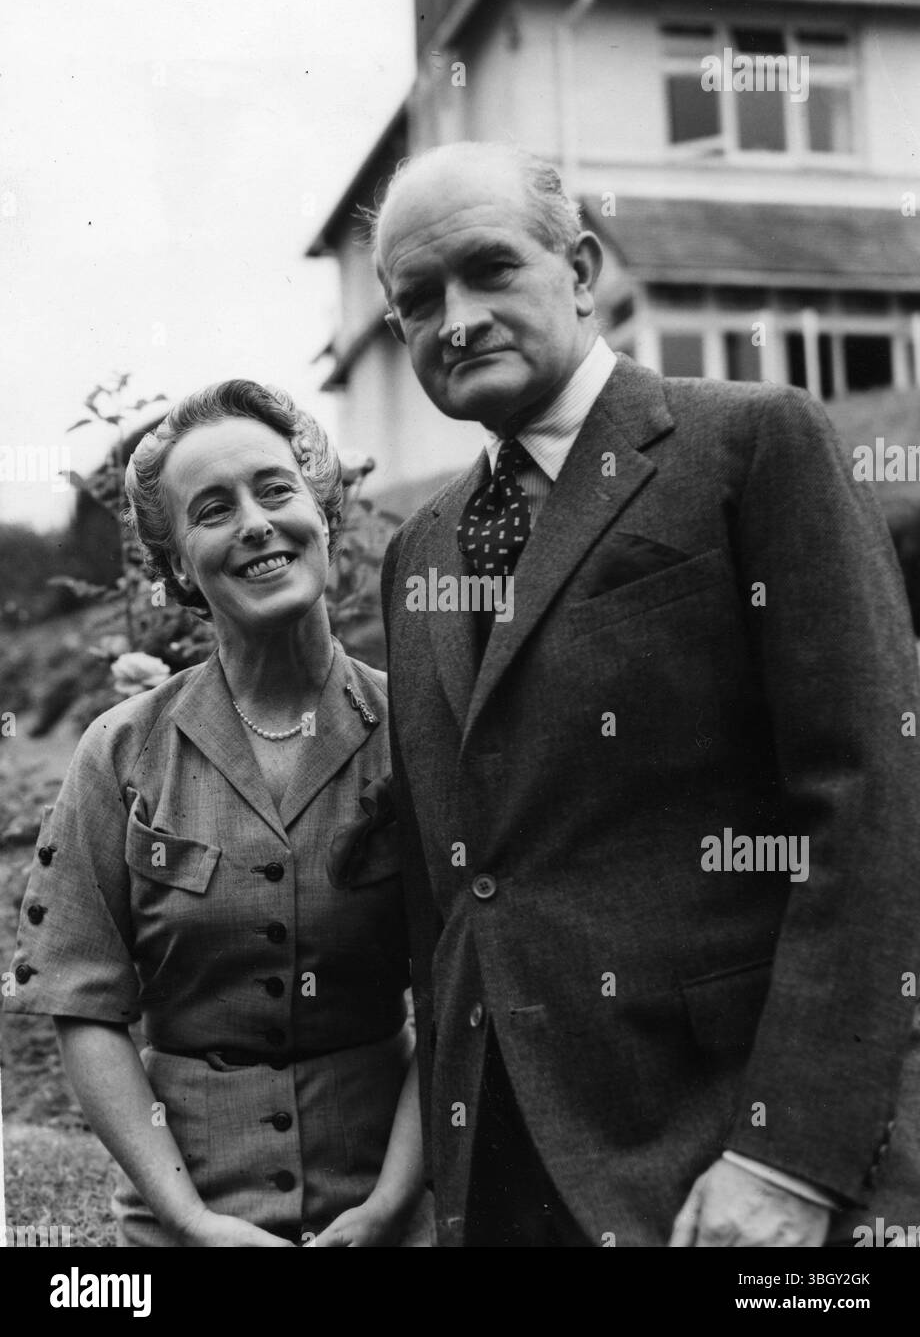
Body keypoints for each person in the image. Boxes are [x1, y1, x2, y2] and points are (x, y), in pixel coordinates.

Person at [373, 140, 920, 1247]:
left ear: (579, 269)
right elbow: (455, 890)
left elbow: (873, 805)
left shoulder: (748, 444)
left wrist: (788, 1156)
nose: (458, 319)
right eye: (418, 300)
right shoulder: (418, 549)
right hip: (504, 1177)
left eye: (489, 270)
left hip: (724, 1160)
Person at [6, 379, 428, 1247]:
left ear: (323, 512)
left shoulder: (420, 731)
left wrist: (388, 1205)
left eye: (276, 489)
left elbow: (469, 984)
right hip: (184, 1219)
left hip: (394, 1212)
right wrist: (193, 1221)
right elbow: (84, 1005)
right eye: (212, 509)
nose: (256, 523)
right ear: (175, 569)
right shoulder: (122, 753)